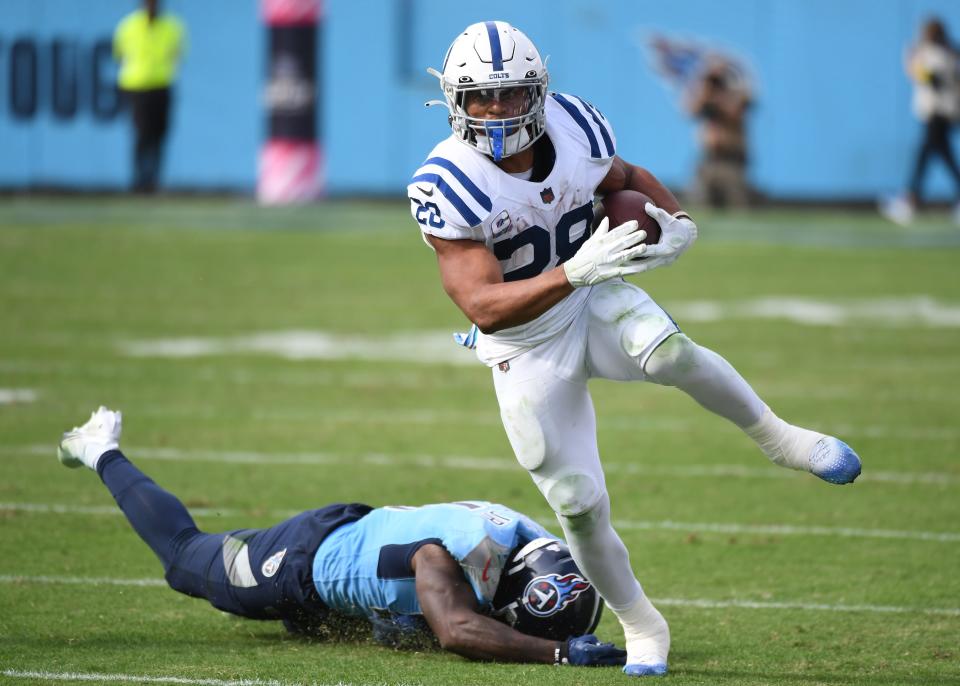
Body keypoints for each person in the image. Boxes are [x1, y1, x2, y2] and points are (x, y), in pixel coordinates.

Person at [407, 21, 862, 677]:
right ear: (455, 101)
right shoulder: (448, 182)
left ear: (539, 91)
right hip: (524, 341)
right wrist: (572, 271)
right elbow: (481, 305)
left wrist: (676, 222)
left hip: (592, 299)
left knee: (668, 351)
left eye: (512, 94)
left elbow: (625, 176)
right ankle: (642, 623)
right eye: (483, 98)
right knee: (576, 504)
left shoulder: (575, 129)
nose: (499, 111)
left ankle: (779, 436)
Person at [56, 406, 628, 668]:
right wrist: (557, 652)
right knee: (186, 559)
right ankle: (100, 447)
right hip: (299, 563)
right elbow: (457, 632)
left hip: (353, 539)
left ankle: (315, 619)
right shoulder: (450, 556)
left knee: (349, 629)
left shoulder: (521, 544)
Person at [880, 17, 960, 226]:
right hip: (942, 113)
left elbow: (932, 80)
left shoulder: (938, 55)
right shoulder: (948, 53)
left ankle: (909, 200)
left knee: (932, 156)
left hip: (938, 113)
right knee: (931, 156)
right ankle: (910, 199)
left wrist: (911, 62)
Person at [113, 0, 187, 193]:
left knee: (159, 134)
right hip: (137, 85)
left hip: (162, 84)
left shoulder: (172, 26)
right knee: (141, 134)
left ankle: (153, 180)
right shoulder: (128, 26)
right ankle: (139, 180)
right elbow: (119, 55)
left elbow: (178, 55)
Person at [684, 59, 753, 208]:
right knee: (700, 206)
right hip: (708, 160)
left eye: (718, 82)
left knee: (737, 206)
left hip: (731, 161)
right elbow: (690, 110)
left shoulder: (736, 96)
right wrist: (703, 84)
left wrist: (717, 96)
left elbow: (734, 111)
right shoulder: (706, 98)